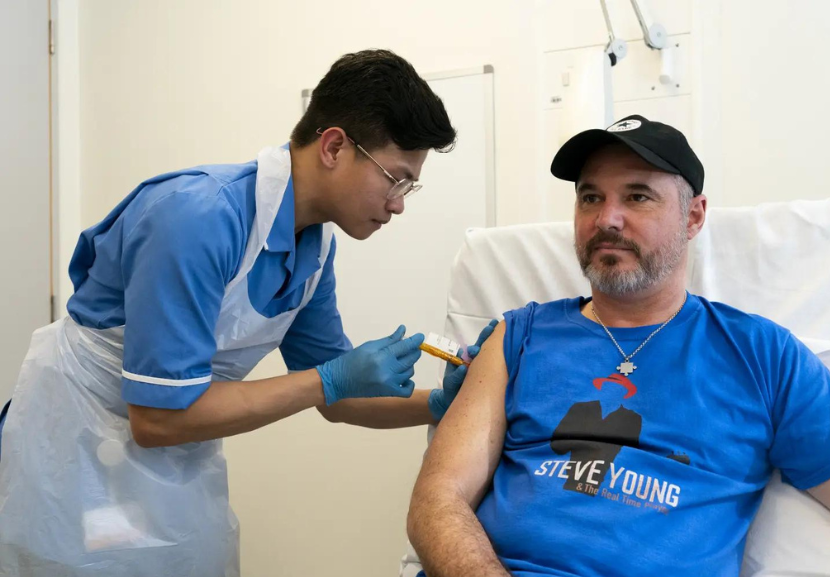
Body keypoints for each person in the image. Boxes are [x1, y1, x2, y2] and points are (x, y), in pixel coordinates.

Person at [0, 49, 495, 577]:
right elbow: (158, 416)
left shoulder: (315, 249)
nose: (399, 204)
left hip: (174, 460)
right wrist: (325, 380)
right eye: (396, 179)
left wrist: (441, 404)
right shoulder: (197, 217)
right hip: (73, 451)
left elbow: (340, 401)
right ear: (333, 146)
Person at [407, 115, 830, 577]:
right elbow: (436, 499)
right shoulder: (519, 336)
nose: (606, 219)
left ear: (693, 216)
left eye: (637, 196)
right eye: (591, 197)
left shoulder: (764, 357)